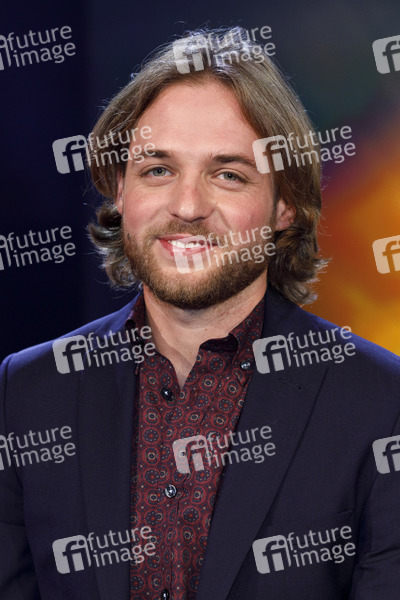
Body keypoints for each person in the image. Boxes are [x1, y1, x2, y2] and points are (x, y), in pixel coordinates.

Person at [1, 27, 400, 600]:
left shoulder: (382, 402)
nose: (187, 206)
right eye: (158, 170)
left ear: (285, 206)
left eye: (228, 174)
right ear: (120, 191)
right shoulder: (26, 393)